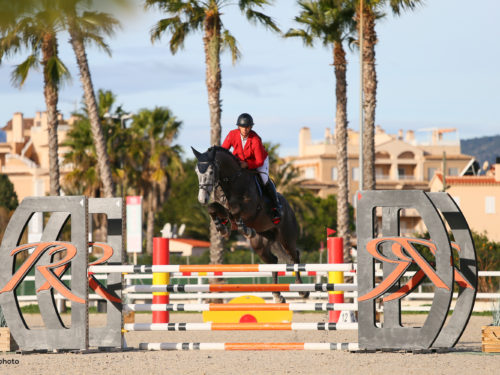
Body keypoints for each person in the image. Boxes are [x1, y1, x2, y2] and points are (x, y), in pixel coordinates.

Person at [222, 113, 282, 224]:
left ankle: (276, 207)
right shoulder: (232, 134)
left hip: (258, 161)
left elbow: (258, 161)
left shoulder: (255, 140)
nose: (245, 129)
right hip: (239, 161)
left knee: (264, 179)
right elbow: (223, 151)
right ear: (238, 127)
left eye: (247, 127)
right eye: (243, 127)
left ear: (251, 127)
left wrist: (247, 165)